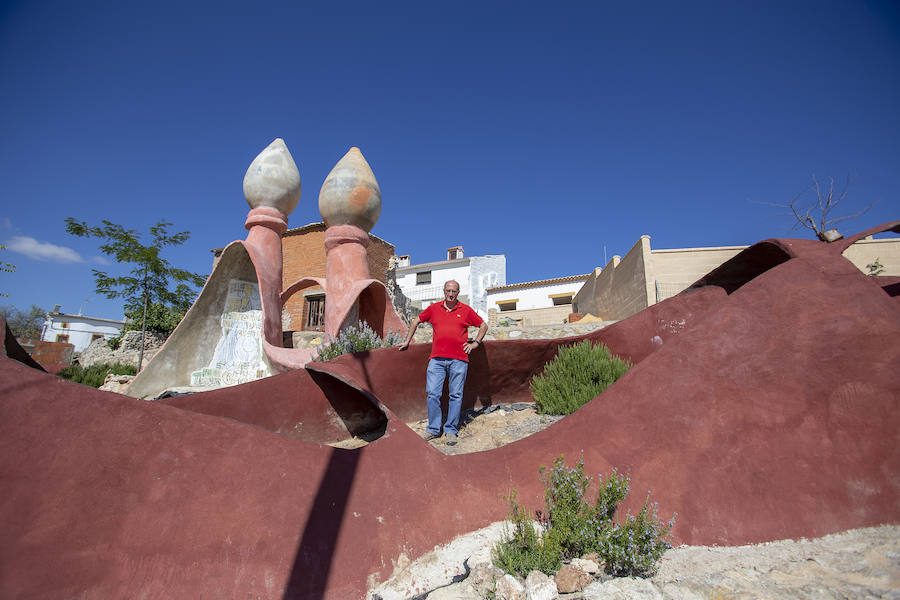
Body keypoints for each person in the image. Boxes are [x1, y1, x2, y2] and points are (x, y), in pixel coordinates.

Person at [398, 280, 487, 445]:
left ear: (458, 292)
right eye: (448, 291)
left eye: (454, 291)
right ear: (444, 291)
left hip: (459, 360)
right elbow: (415, 321)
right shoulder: (434, 308)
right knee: (433, 394)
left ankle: (451, 430)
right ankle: (433, 429)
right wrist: (407, 341)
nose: (451, 294)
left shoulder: (466, 310)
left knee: (456, 395)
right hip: (437, 360)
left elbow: (483, 325)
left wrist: (475, 343)